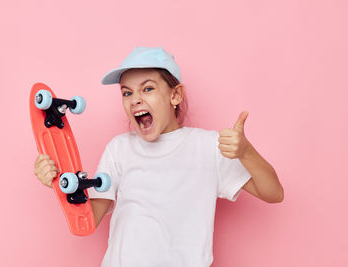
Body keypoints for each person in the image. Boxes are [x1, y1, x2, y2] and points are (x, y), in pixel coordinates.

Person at [34, 46, 284, 267]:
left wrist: (246, 152)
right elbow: (89, 219)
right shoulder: (119, 148)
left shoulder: (207, 146)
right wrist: (57, 182)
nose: (135, 100)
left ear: (175, 95)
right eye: (127, 93)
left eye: (148, 88)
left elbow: (273, 193)